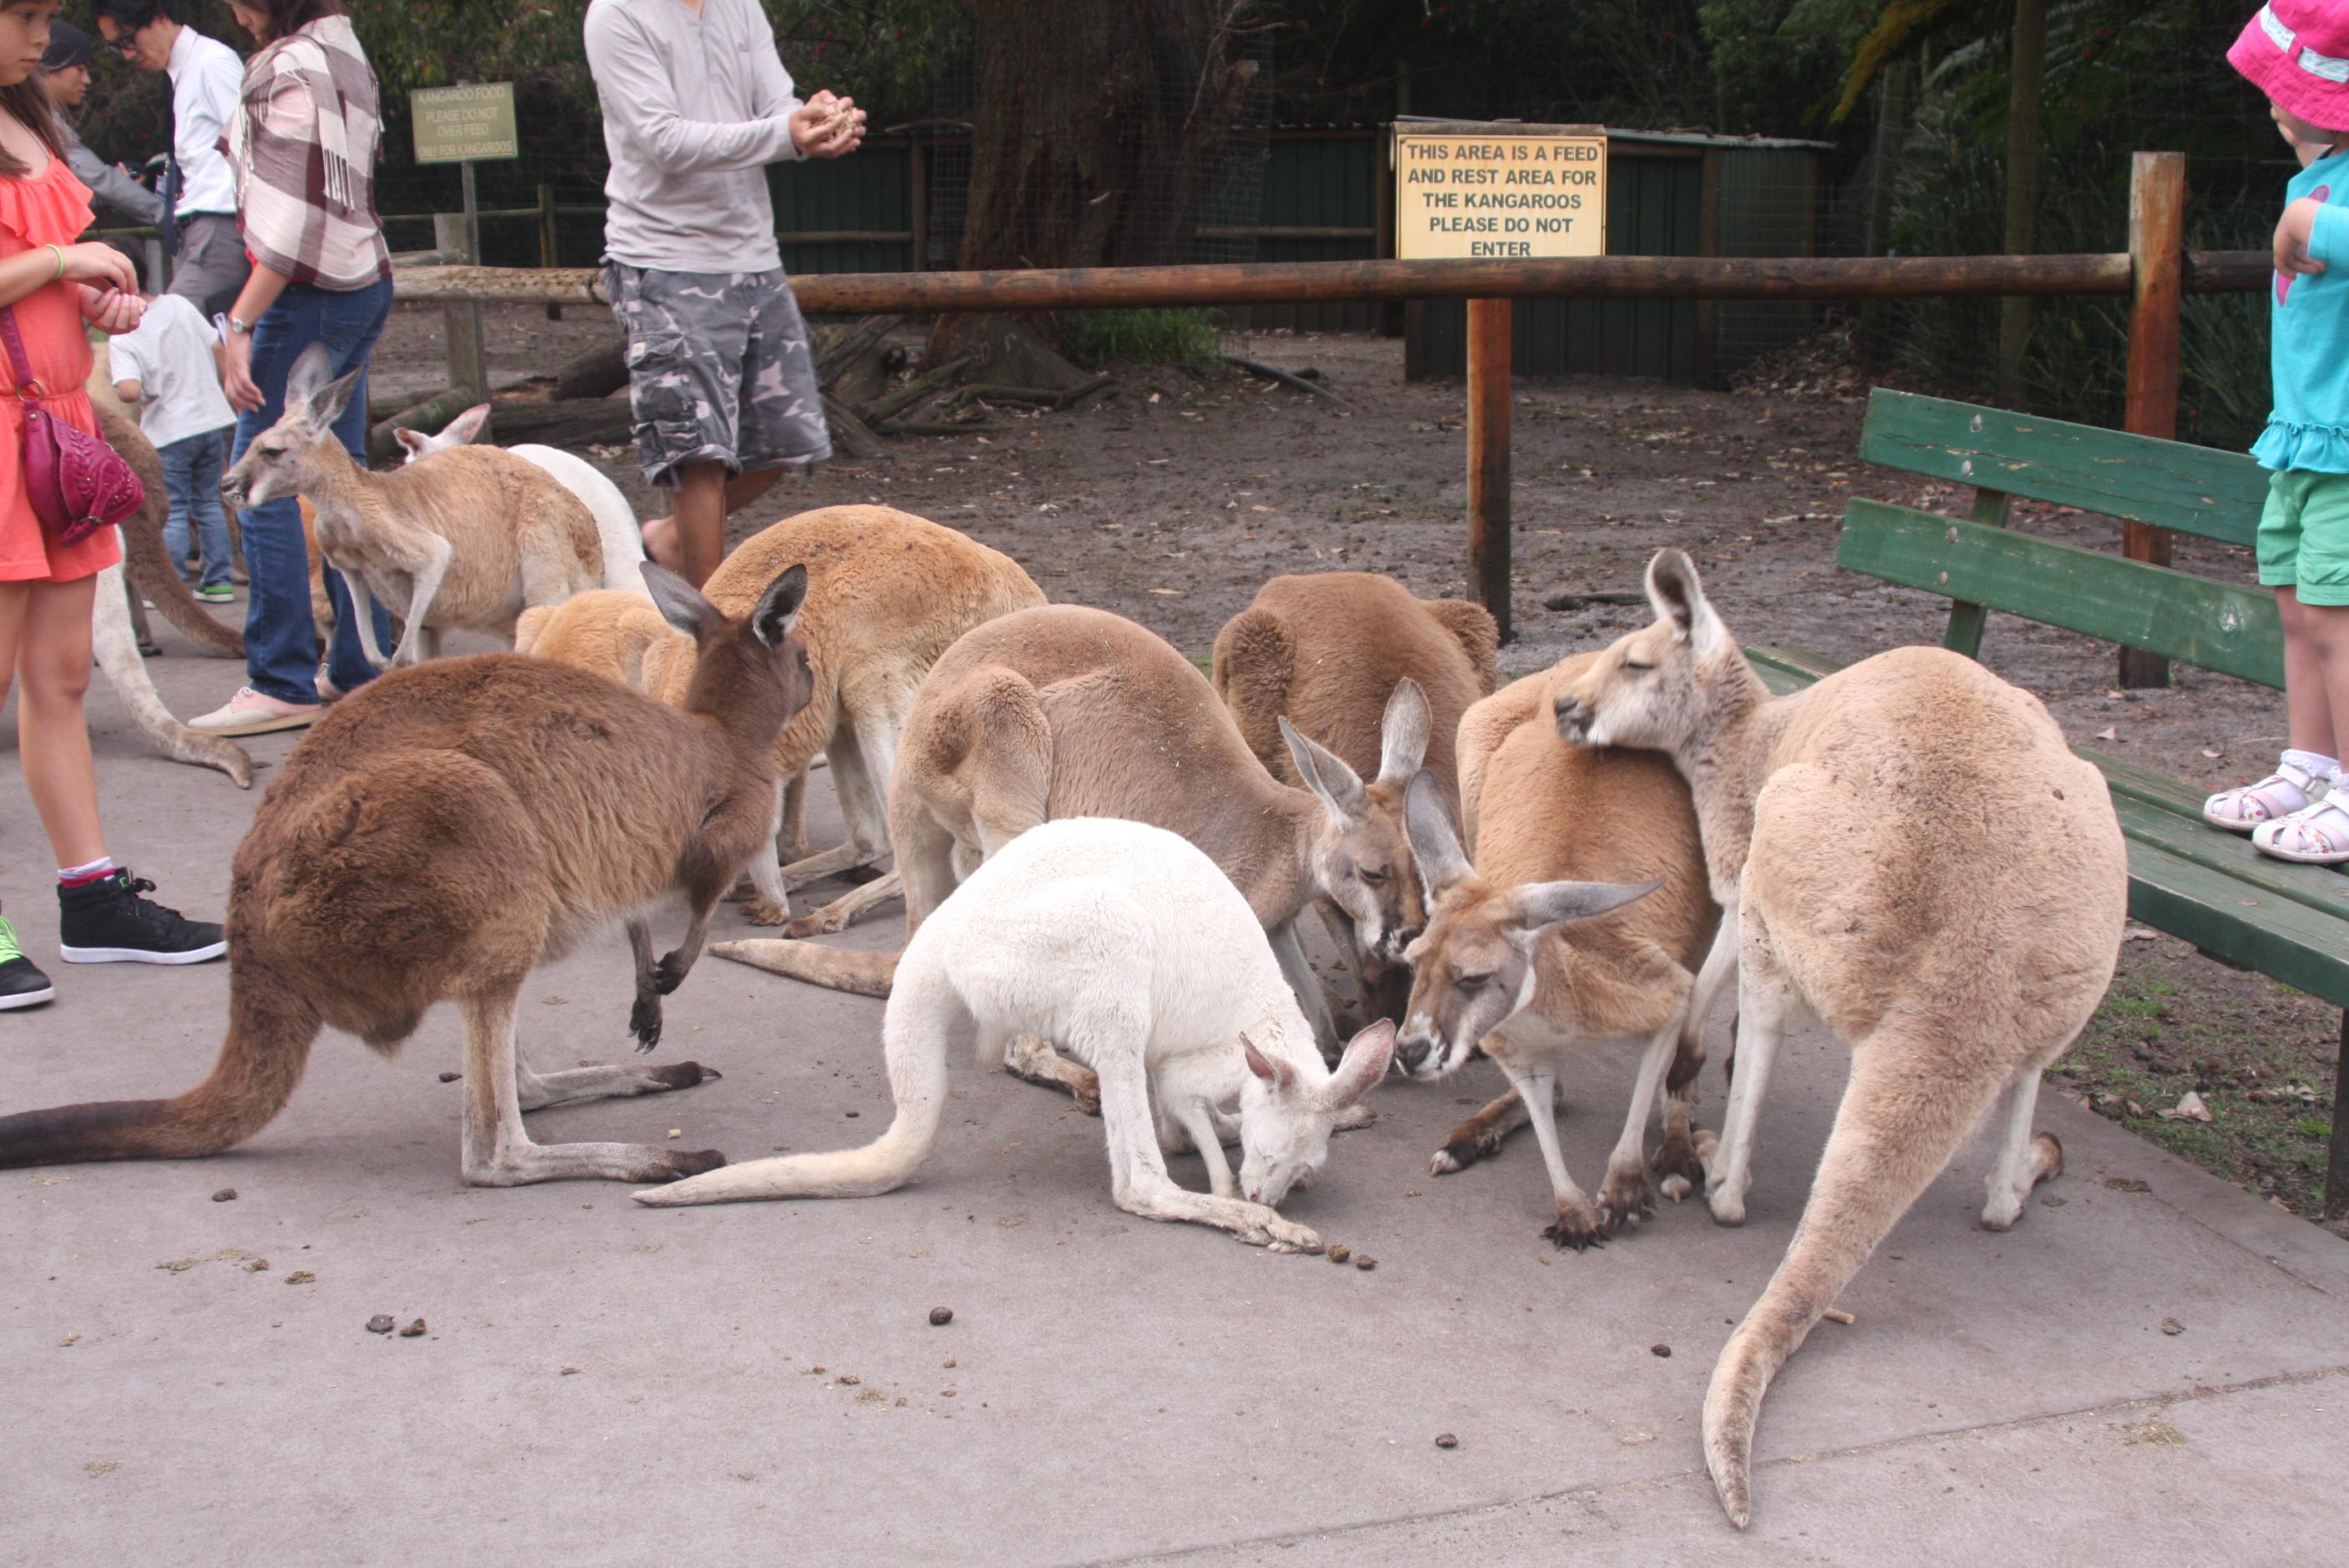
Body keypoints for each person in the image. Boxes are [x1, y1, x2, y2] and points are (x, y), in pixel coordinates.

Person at [0, 0, 226, 1012]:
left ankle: (91, 897)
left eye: (43, 12)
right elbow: (43, 262)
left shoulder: (30, 121)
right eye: (19, 14)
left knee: (58, 678)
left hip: (59, 432)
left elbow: (52, 276)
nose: (39, 32)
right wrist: (62, 264)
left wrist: (97, 301)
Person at [583, 0, 863, 588]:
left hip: (754, 257)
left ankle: (668, 542)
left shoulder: (740, 6)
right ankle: (708, 632)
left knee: (793, 440)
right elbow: (665, 141)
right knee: (699, 455)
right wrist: (785, 133)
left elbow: (776, 103)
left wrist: (813, 119)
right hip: (663, 260)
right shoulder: (616, 14)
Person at [186, 0, 391, 737]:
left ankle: (279, 676)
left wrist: (239, 322)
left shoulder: (283, 66)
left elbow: (289, 222)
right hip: (363, 280)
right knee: (345, 466)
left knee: (260, 472)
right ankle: (362, 666)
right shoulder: (345, 52)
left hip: (305, 291)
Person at [2206, 1, 2349, 862]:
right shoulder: (2309, 180)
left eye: (2279, 83)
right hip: (2302, 439)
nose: (2268, 100)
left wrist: (2306, 225)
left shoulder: (2321, 198)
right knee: (2298, 611)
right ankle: (2309, 765)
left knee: (2337, 617)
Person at [90, 0, 247, 318]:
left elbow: (253, 150)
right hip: (202, 230)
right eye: (117, 47)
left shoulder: (210, 63)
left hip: (223, 224)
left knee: (169, 327)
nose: (127, 54)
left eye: (128, 39)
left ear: (160, 17)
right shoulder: (184, 71)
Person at [111, 288, 236, 601]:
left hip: (169, 431)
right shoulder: (180, 304)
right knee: (209, 504)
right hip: (211, 422)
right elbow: (218, 348)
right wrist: (229, 389)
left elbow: (127, 391)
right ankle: (219, 580)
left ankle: (174, 586)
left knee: (174, 509)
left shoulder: (123, 334)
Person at [36, 19, 158, 229]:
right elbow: (99, 179)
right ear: (49, 67)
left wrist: (111, 193)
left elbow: (59, 197)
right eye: (80, 69)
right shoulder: (38, 121)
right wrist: (169, 215)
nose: (87, 80)